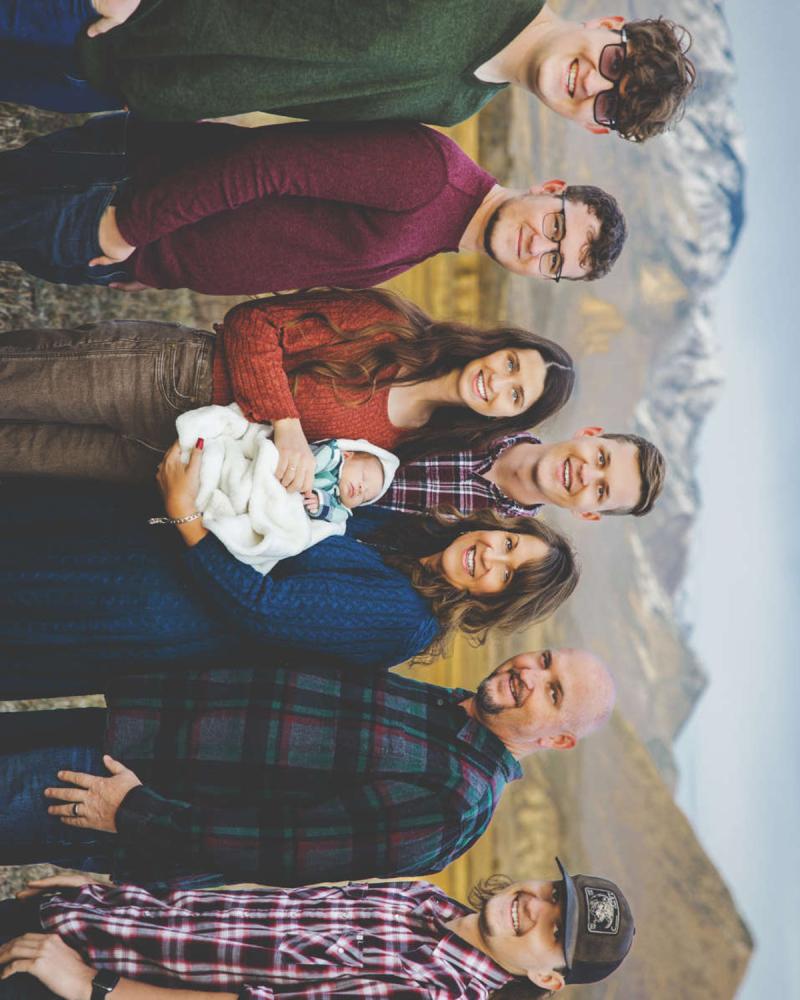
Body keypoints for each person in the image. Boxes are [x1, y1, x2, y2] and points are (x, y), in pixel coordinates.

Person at [0, 649, 615, 887]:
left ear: (558, 739)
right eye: (543, 660)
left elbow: (282, 849)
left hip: (121, 793)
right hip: (133, 729)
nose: (529, 674)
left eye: (553, 691)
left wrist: (134, 812)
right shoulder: (451, 708)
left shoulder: (455, 803)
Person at [0, 469, 579, 698]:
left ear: (492, 603)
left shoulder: (407, 620)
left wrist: (185, 516)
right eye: (508, 545)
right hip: (162, 557)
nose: (490, 557)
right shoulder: (412, 535)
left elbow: (264, 609)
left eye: (506, 577)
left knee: (21, 602)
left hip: (155, 608)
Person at [0, 288, 575, 485]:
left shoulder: (407, 448)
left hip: (173, 459)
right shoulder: (389, 325)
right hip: (170, 376)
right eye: (511, 364)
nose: (499, 382)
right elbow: (254, 322)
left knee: (17, 454)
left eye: (515, 395)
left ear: (506, 419)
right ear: (497, 345)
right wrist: (287, 423)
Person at [0, 112, 626, 291]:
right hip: (122, 194)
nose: (538, 247)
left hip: (137, 248)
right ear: (550, 190)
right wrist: (129, 227)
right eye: (556, 227)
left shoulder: (446, 228)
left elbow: (284, 248)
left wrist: (154, 268)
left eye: (554, 262)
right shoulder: (431, 174)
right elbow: (267, 165)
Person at [0, 0, 695, 143]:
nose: (592, 83)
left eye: (609, 105)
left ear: (593, 126)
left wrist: (175, 100)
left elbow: (300, 97)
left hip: (117, 85)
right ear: (609, 23)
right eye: (614, 63)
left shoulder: (456, 107)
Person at [0, 859, 635, 999]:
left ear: (548, 978)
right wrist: (115, 894)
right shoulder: (425, 898)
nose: (537, 906)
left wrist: (89, 986)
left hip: (65, 984)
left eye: (556, 931)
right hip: (79, 920)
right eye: (555, 893)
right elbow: (258, 908)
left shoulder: (430, 992)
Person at [170, 401, 400, 575]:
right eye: (363, 477)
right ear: (348, 455)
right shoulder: (331, 457)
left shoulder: (338, 509)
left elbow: (328, 517)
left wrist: (319, 503)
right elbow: (312, 458)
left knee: (283, 530)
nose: (361, 488)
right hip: (272, 469)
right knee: (241, 460)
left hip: (285, 502)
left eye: (365, 496)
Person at [375, 425, 666, 521]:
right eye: (601, 458)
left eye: (601, 491)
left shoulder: (493, 549)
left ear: (587, 513)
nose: (586, 474)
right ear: (589, 433)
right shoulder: (484, 414)